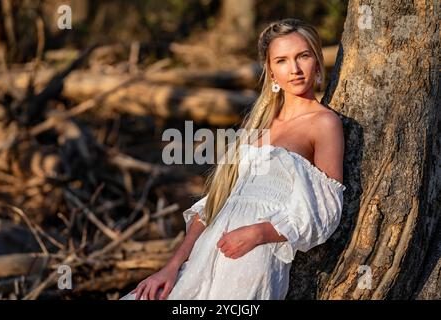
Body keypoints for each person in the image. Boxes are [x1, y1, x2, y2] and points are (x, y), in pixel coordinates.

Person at [120, 18, 346, 300]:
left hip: (253, 257)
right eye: (282, 61)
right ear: (271, 72)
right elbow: (214, 203)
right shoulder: (257, 125)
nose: (295, 69)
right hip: (207, 251)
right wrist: (171, 266)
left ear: (316, 59)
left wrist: (260, 233)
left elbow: (327, 209)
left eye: (303, 56)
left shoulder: (324, 123)